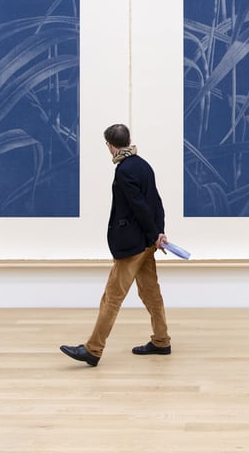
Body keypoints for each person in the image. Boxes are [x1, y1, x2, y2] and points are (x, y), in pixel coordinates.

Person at [60, 123, 172, 367]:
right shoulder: (143, 165)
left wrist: (155, 233)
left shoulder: (124, 170)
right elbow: (156, 201)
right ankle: (161, 340)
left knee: (112, 297)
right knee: (152, 294)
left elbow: (139, 206)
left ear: (110, 145)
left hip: (132, 245)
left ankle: (93, 349)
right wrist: (158, 233)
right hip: (146, 243)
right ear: (129, 139)